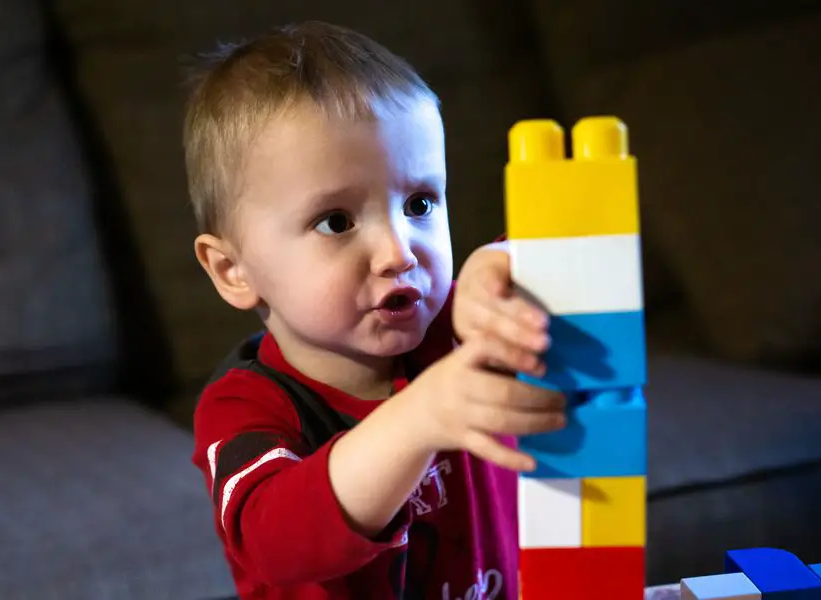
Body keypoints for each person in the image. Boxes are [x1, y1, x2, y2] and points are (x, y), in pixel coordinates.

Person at [185, 21, 566, 600]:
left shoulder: (462, 328)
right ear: (232, 271)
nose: (398, 252)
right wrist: (420, 417)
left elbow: (573, 263)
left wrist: (504, 263)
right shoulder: (243, 408)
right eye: (335, 221)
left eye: (419, 203)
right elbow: (276, 543)